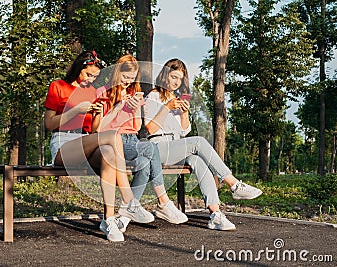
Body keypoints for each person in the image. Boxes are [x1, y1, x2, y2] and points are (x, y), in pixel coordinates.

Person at [43, 50, 154, 242]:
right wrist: (77, 110)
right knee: (112, 136)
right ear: (79, 68)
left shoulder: (92, 92)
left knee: (110, 154)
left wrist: (96, 115)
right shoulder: (58, 86)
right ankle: (129, 201)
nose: (91, 79)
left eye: (95, 76)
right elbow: (49, 124)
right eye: (88, 74)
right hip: (63, 144)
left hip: (86, 142)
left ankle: (108, 220)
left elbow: (95, 130)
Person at [144, 58, 263, 230]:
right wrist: (167, 108)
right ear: (165, 76)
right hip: (158, 148)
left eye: (180, 79)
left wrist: (184, 114)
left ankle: (215, 214)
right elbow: (150, 128)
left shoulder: (177, 98)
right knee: (198, 142)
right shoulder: (153, 96)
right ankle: (234, 184)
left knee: (198, 161)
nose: (177, 82)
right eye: (174, 77)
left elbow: (183, 132)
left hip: (175, 147)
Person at [93, 55, 188, 232]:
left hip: (132, 140)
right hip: (114, 141)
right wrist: (120, 106)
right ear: (117, 73)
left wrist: (135, 109)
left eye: (132, 78)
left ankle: (124, 216)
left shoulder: (133, 94)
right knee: (151, 147)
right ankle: (163, 201)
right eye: (125, 77)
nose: (128, 82)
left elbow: (136, 127)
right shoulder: (103, 92)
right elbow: (98, 129)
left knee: (144, 163)